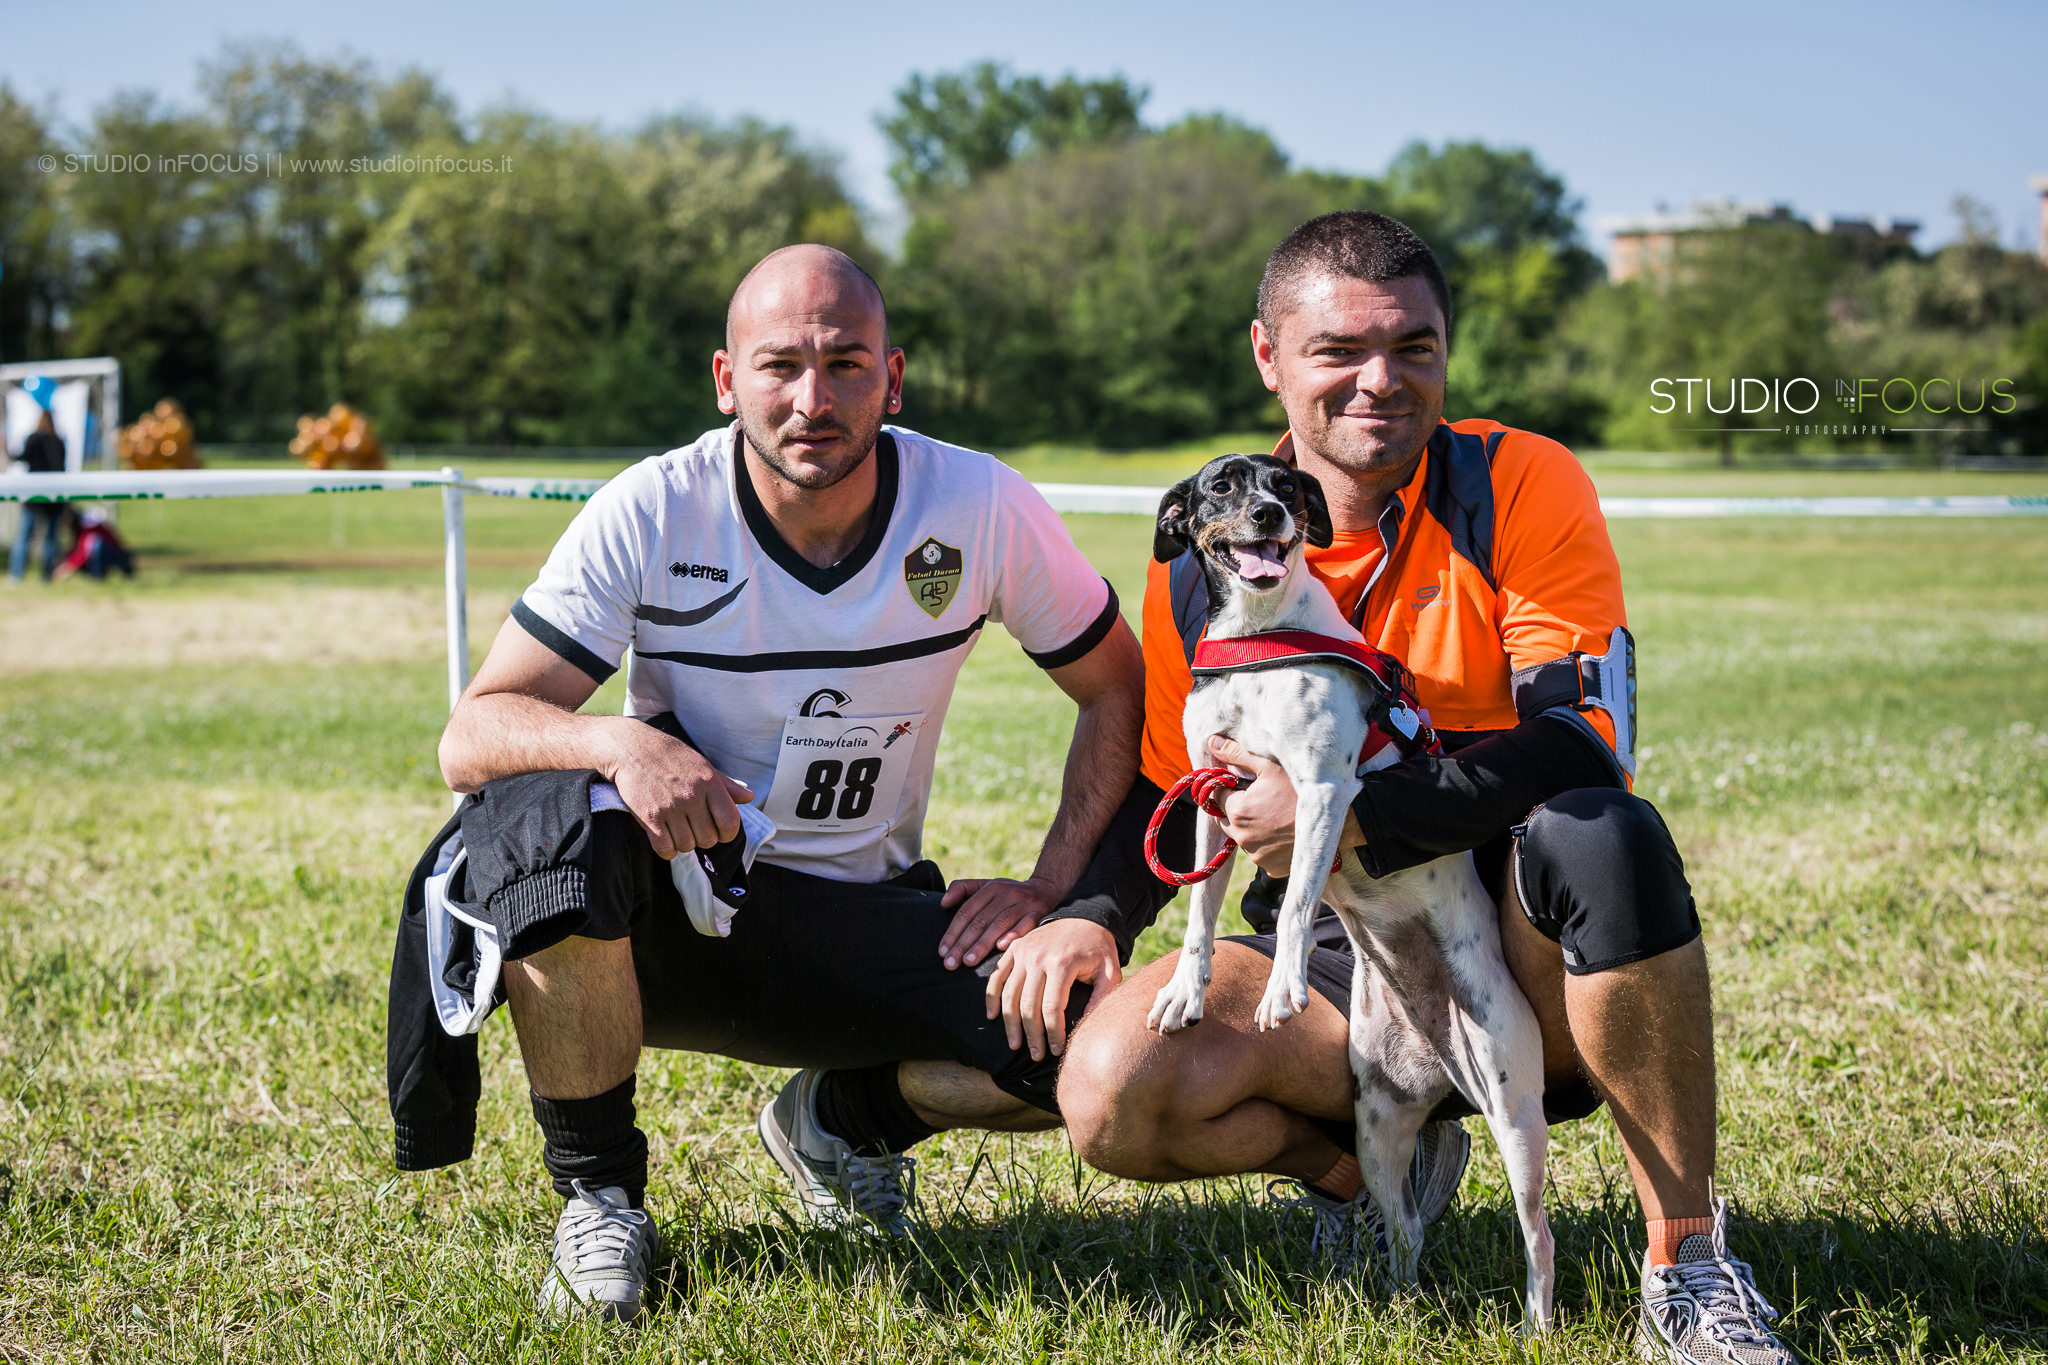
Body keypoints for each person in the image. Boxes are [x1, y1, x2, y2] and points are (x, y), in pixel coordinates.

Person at [1054, 212, 1797, 1365]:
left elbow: (1580, 743)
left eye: (1412, 347)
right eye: (1338, 351)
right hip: (1336, 952)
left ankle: (1686, 1265)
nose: (1379, 381)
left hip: (1517, 933)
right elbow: (1171, 779)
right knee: (1112, 1091)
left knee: (1601, 832)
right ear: (1266, 356)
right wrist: (1086, 916)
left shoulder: (1517, 479)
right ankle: (1366, 1176)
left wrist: (1349, 815)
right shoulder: (1207, 545)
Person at [390, 244, 1144, 1319]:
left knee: (1090, 1035)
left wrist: (1054, 891)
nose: (811, 399)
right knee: (543, 813)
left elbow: (1118, 690)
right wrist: (622, 744)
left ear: (893, 378)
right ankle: (600, 1199)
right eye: (780, 365)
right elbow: (472, 731)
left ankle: (843, 1122)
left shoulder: (978, 503)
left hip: (856, 920)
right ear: (726, 379)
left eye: (845, 364)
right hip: (668, 922)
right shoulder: (655, 506)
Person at [7, 409, 67, 582]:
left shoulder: (33, 439)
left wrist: (7, 450)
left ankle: (16, 575)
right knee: (50, 539)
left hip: (33, 496)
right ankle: (46, 576)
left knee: (25, 536)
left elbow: (21, 457)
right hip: (53, 496)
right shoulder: (58, 441)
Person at [51, 507, 135, 581]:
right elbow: (76, 549)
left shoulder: (88, 525)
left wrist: (66, 569)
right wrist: (64, 559)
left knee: (95, 545)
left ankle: (98, 577)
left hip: (114, 552)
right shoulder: (80, 527)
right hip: (109, 551)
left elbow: (83, 552)